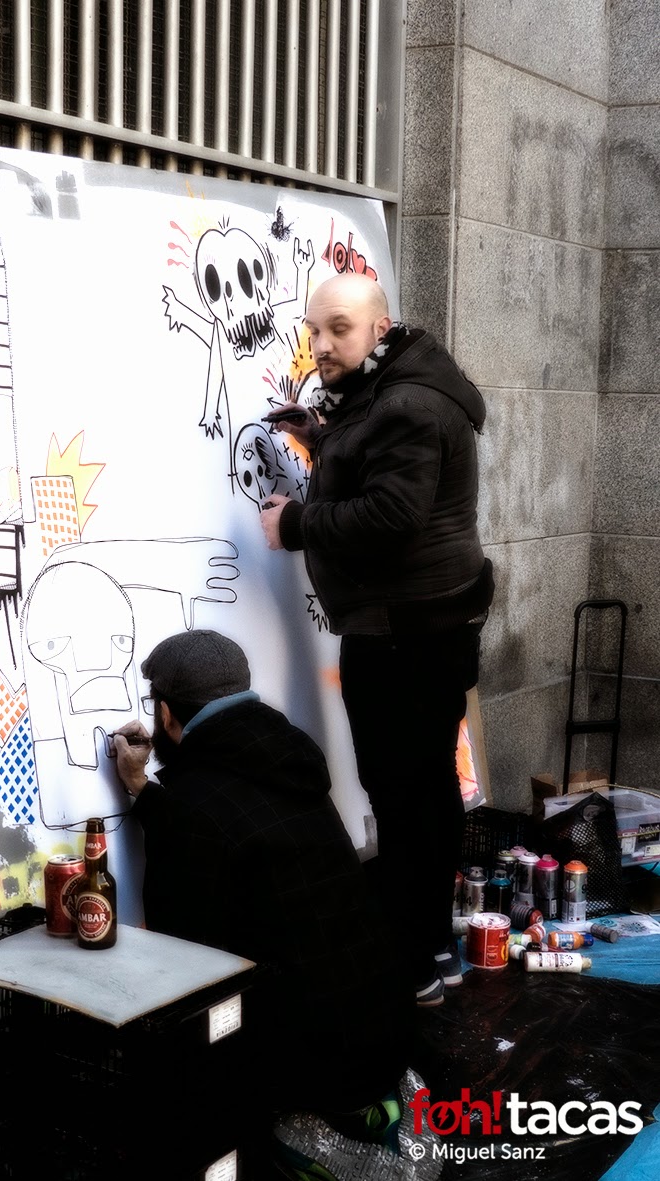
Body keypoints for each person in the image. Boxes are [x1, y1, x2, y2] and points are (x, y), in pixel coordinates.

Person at [259, 273, 494, 1008]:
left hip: (403, 636)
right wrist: (321, 440)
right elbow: (382, 464)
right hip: (425, 627)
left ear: (380, 329)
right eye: (314, 330)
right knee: (424, 790)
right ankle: (434, 946)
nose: (322, 345)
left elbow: (392, 515)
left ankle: (411, 963)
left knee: (403, 796)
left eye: (339, 328)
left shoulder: (408, 404)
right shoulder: (396, 387)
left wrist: (294, 523)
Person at [111, 628, 413, 1143]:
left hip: (321, 1061)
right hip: (386, 1026)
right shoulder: (288, 757)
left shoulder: (194, 804)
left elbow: (181, 957)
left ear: (165, 714)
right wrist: (142, 787)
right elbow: (236, 821)